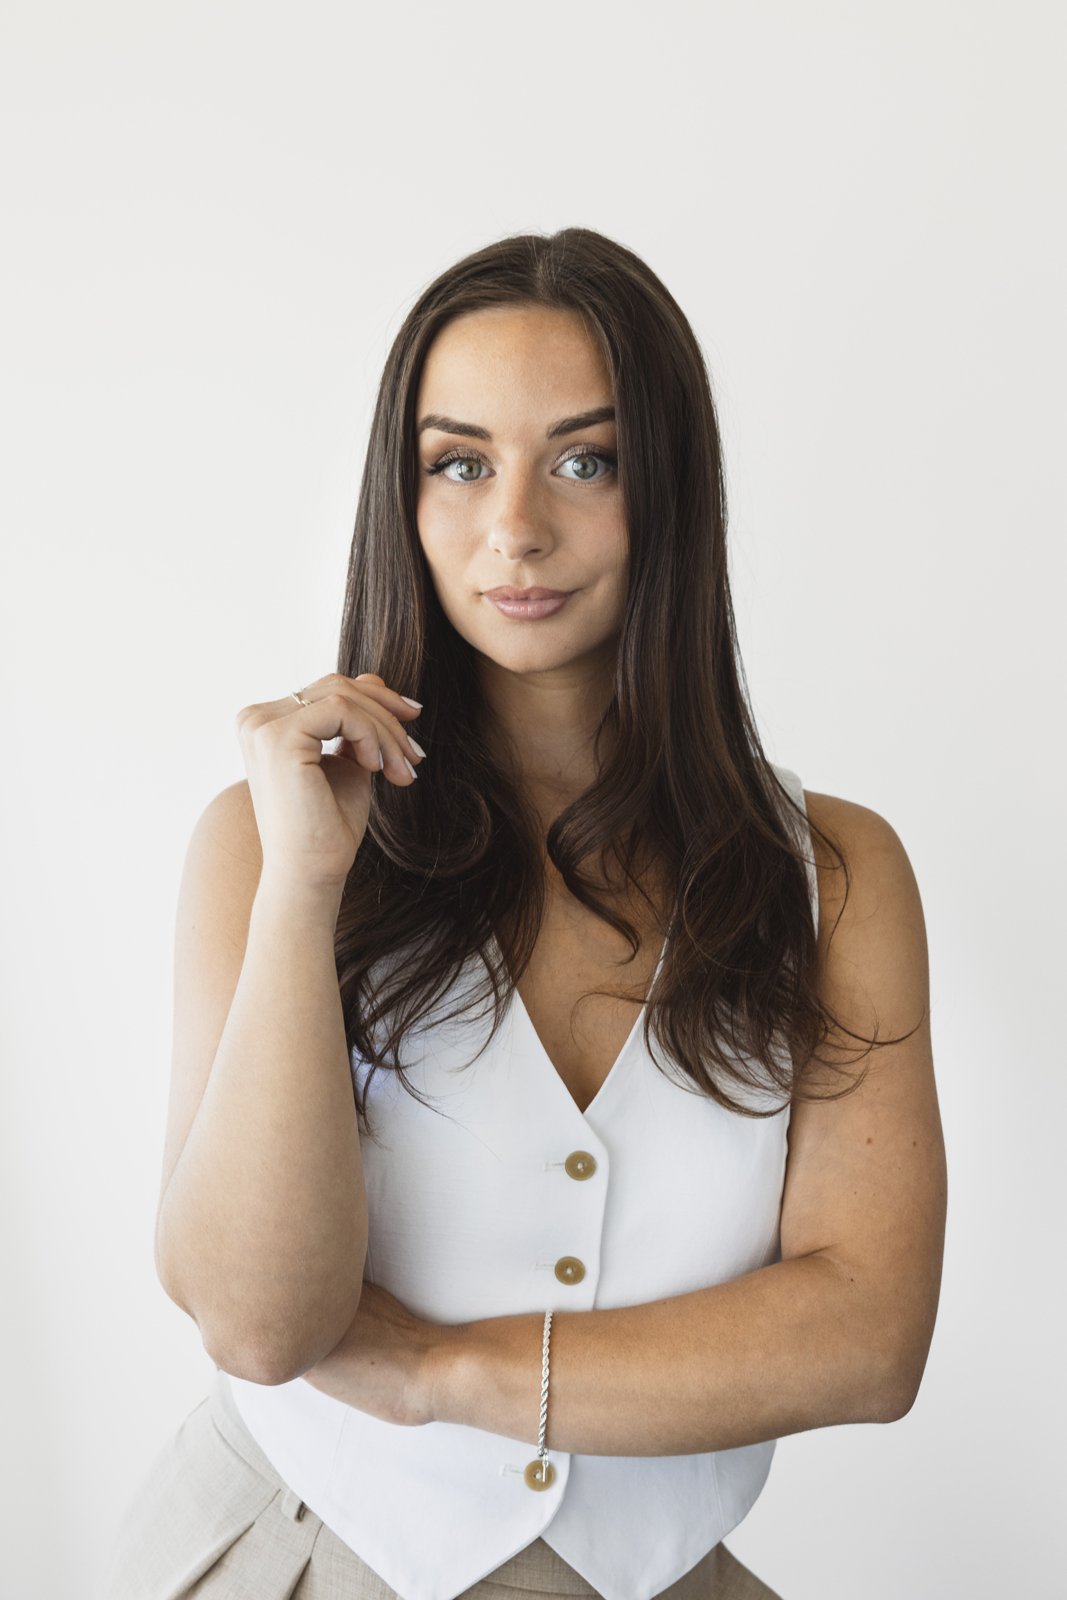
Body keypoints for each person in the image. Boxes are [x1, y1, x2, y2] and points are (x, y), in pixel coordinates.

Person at [98, 228, 947, 1600]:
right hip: (296, 1558)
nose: (517, 528)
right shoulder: (267, 844)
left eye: (585, 460)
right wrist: (308, 889)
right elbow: (258, 1326)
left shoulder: (831, 874)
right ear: (406, 493)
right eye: (461, 462)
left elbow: (867, 1334)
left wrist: (445, 1372)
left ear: (669, 489)